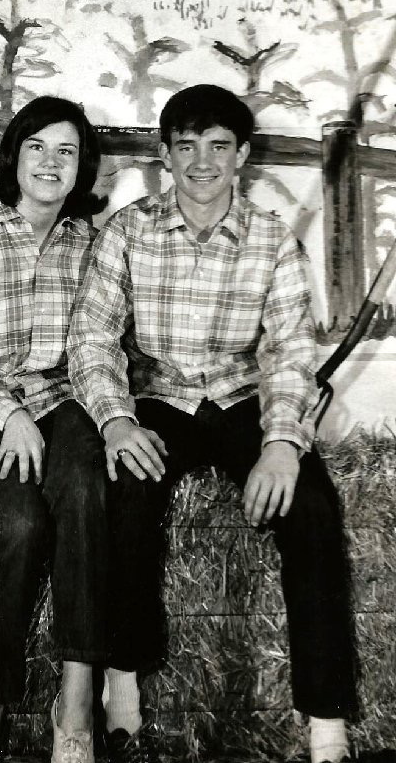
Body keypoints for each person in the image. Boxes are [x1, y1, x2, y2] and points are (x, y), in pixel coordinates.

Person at [67, 84, 358, 763]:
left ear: (243, 156)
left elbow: (288, 351)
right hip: (161, 394)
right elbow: (91, 339)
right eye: (188, 147)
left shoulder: (269, 239)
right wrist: (114, 421)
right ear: (165, 154)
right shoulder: (128, 230)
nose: (203, 162)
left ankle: (326, 718)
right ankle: (125, 671)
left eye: (219, 146)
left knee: (312, 505)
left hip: (239, 394)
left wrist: (283, 443)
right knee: (126, 492)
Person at [0, 95, 154, 763]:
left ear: (83, 167)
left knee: (85, 497)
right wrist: (11, 415)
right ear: (13, 155)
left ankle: (75, 712)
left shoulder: (92, 242)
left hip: (70, 402)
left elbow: (102, 347)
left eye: (67, 151)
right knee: (23, 527)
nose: (51, 163)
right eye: (37, 146)